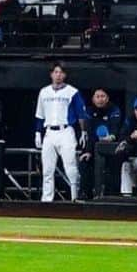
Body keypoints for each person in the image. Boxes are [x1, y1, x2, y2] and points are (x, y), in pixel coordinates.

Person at [34, 62, 87, 202]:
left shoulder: (72, 91)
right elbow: (40, 114)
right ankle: (47, 199)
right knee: (47, 169)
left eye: (61, 72)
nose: (58, 75)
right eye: (55, 72)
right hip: (49, 131)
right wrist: (38, 132)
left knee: (70, 166)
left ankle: (75, 196)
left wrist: (83, 132)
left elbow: (80, 114)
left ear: (65, 75)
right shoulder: (44, 92)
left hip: (66, 131)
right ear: (51, 74)